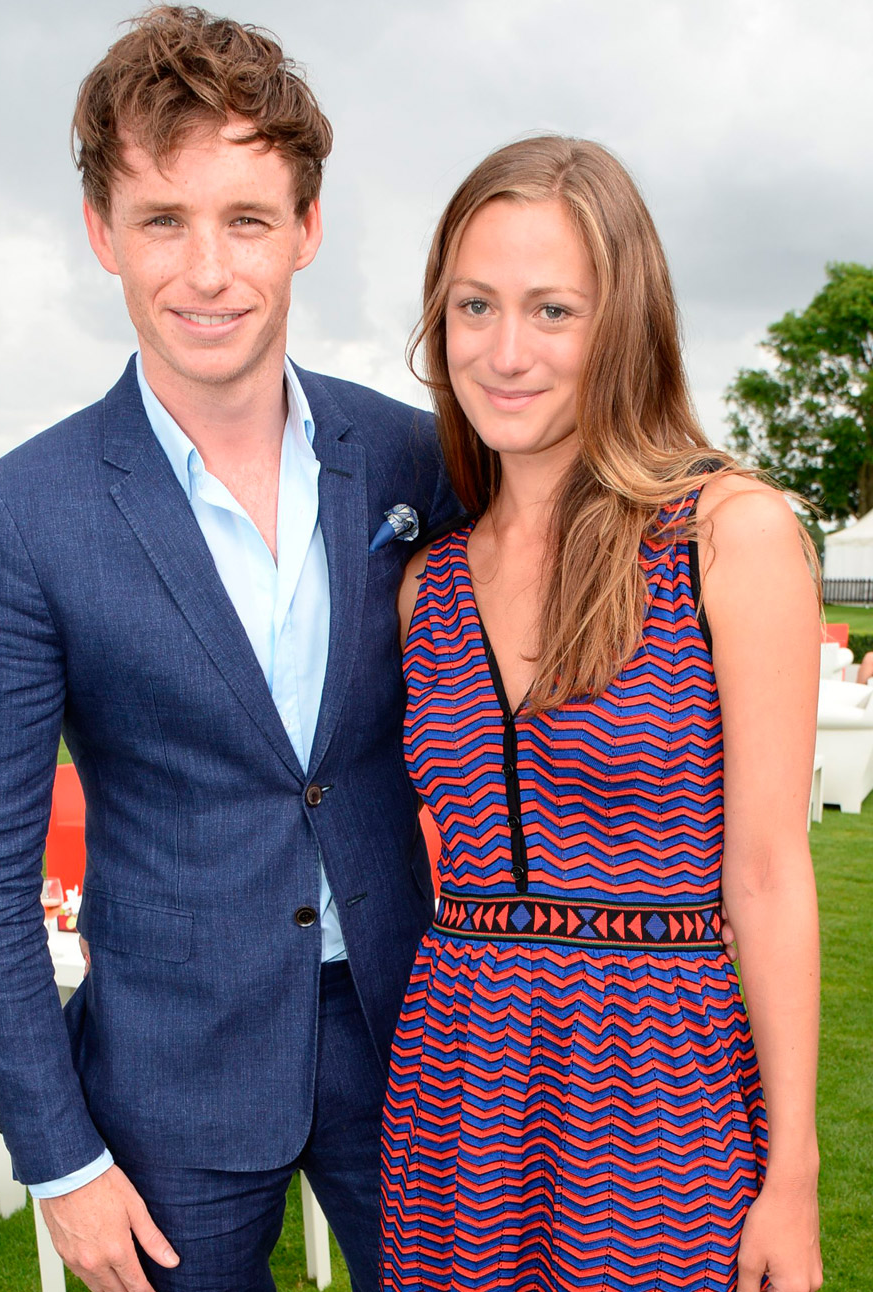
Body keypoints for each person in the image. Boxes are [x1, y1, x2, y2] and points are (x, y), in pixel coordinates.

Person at [0, 8, 454, 1292]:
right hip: (167, 1077)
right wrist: (58, 1163)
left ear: (308, 229)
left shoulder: (413, 457)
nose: (207, 269)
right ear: (103, 232)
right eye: (164, 219)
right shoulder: (24, 510)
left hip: (419, 1037)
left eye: (247, 219)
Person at [379, 136, 823, 1292]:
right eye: (474, 305)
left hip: (664, 1091)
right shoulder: (425, 584)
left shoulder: (730, 534)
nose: (506, 350)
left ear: (623, 321)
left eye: (554, 309)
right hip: (454, 1090)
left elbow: (771, 874)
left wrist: (795, 1173)